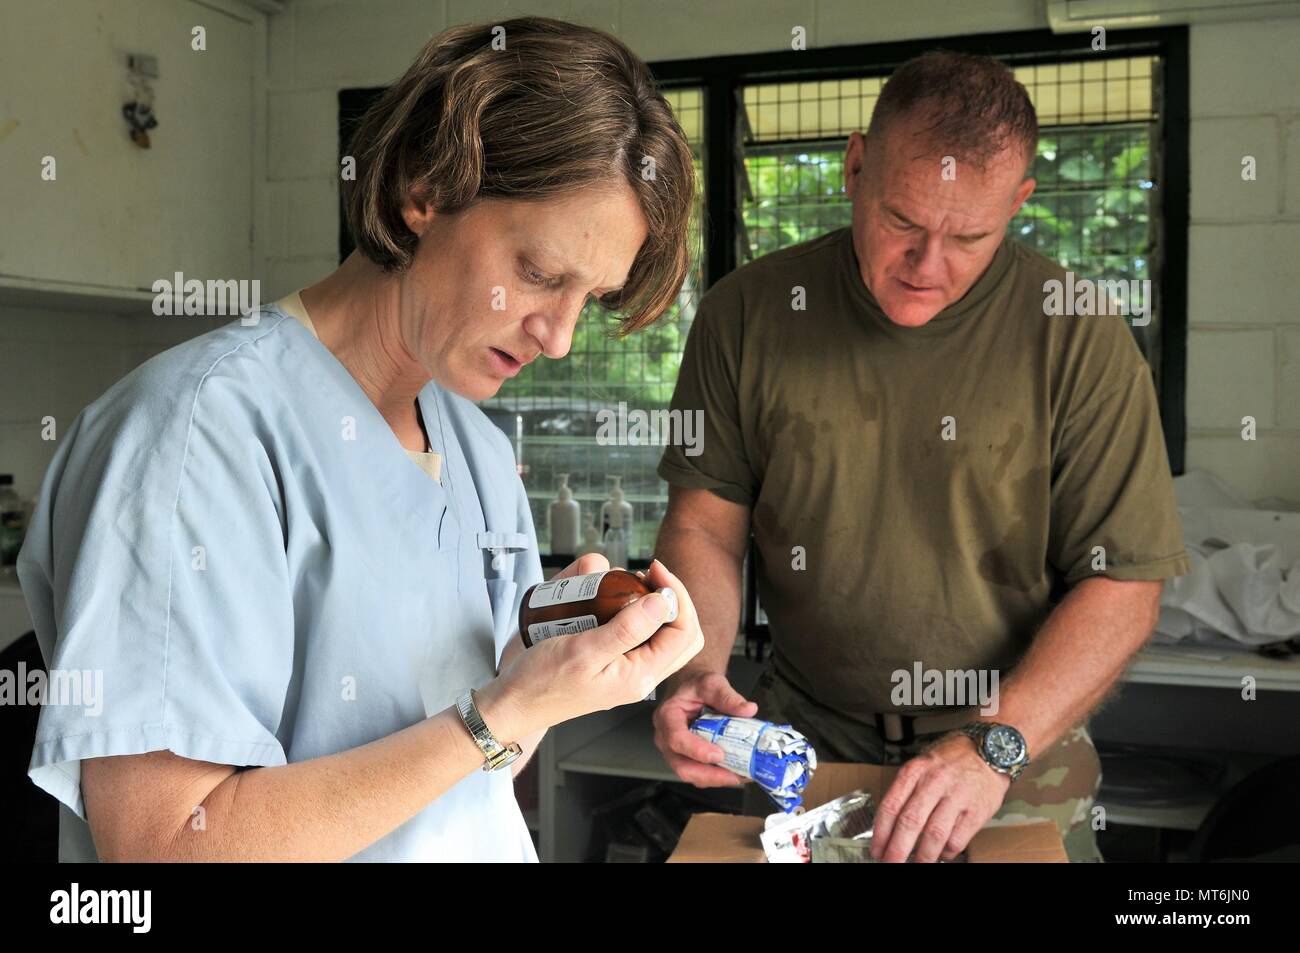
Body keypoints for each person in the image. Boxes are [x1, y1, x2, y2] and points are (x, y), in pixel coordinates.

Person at [18, 16, 703, 862]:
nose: (560, 337)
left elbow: (483, 764)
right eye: (537, 272)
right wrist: (498, 713)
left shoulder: (480, 455)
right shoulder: (197, 433)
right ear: (425, 189)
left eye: (589, 297)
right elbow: (163, 844)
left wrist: (543, 671)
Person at [651, 50, 1188, 863]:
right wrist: (694, 671)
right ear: (856, 165)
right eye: (903, 221)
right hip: (808, 742)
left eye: (969, 235)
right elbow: (705, 529)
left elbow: (1123, 585)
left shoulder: (1078, 332)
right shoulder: (747, 315)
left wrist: (992, 746)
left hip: (1014, 752)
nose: (928, 267)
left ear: (1019, 204)